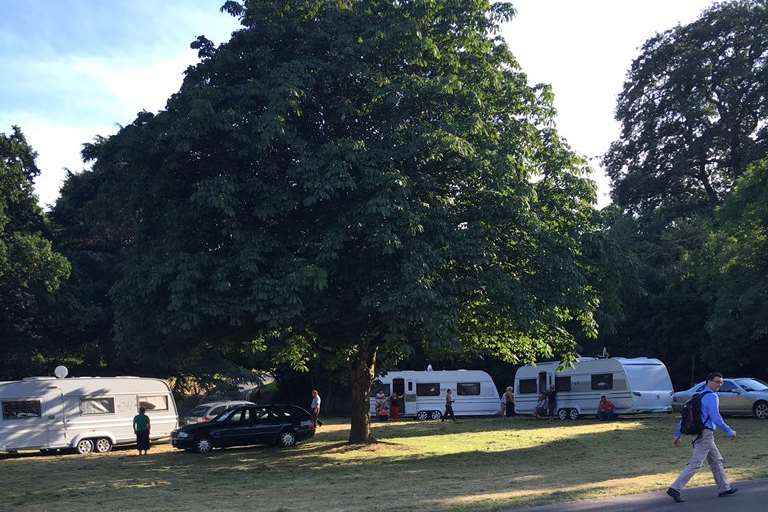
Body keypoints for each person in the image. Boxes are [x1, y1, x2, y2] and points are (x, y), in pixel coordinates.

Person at [666, 372, 738, 503]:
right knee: (696, 464)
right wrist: (729, 431)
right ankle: (675, 488)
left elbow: (685, 419)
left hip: (703, 434)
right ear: (708, 381)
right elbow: (716, 417)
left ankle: (724, 488)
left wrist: (679, 434)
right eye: (717, 381)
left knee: (716, 460)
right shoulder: (711, 396)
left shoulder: (697, 396)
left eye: (721, 382)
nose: (719, 384)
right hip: (706, 434)